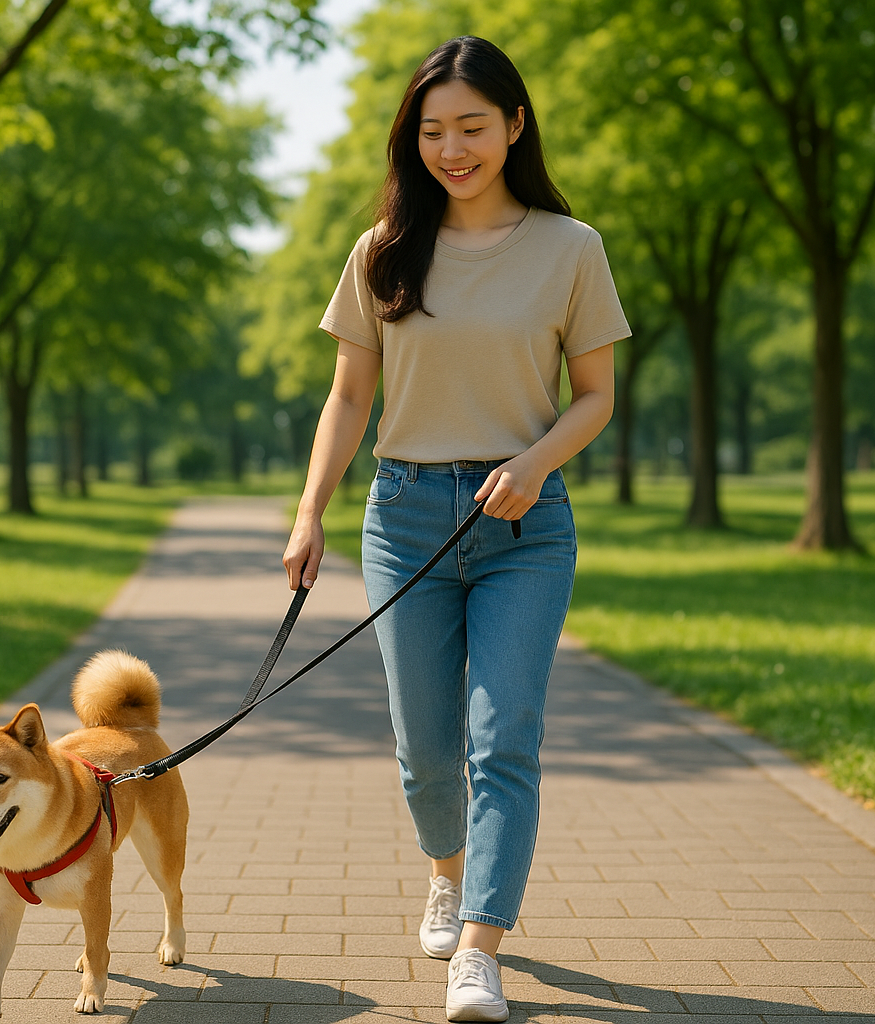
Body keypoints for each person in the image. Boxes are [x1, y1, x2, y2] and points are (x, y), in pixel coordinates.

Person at [282, 35, 630, 1023]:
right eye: (433, 130)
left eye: (472, 126)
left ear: (515, 125)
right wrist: (310, 512)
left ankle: (478, 949)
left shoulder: (573, 249)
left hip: (528, 524)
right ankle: (447, 870)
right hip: (403, 519)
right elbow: (350, 396)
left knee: (503, 734)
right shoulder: (383, 248)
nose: (453, 147)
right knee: (426, 748)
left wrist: (536, 461)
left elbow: (597, 396)